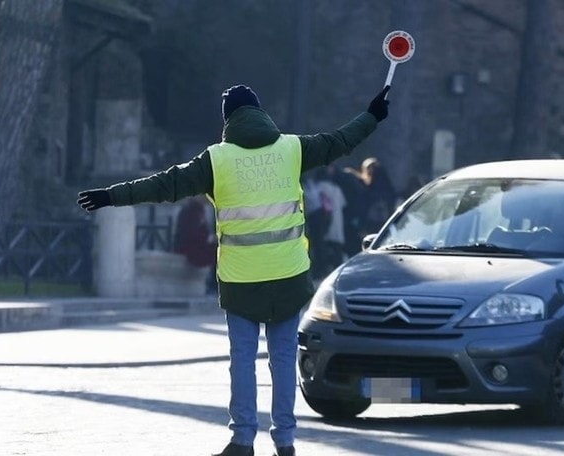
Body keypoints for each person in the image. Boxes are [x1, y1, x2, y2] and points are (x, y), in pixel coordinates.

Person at [77, 83, 391, 456]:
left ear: (228, 120)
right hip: (288, 275)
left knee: (242, 360)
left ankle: (242, 440)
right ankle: (285, 441)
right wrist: (371, 115)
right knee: (283, 360)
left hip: (241, 277)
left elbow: (165, 184)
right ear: (260, 113)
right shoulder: (291, 149)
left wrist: (111, 196)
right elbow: (341, 141)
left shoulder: (216, 160)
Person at [173, 195, 218, 293]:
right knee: (217, 252)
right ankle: (212, 285)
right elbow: (190, 233)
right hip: (190, 248)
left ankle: (214, 284)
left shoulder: (199, 209)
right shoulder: (190, 211)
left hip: (197, 245)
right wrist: (209, 238)